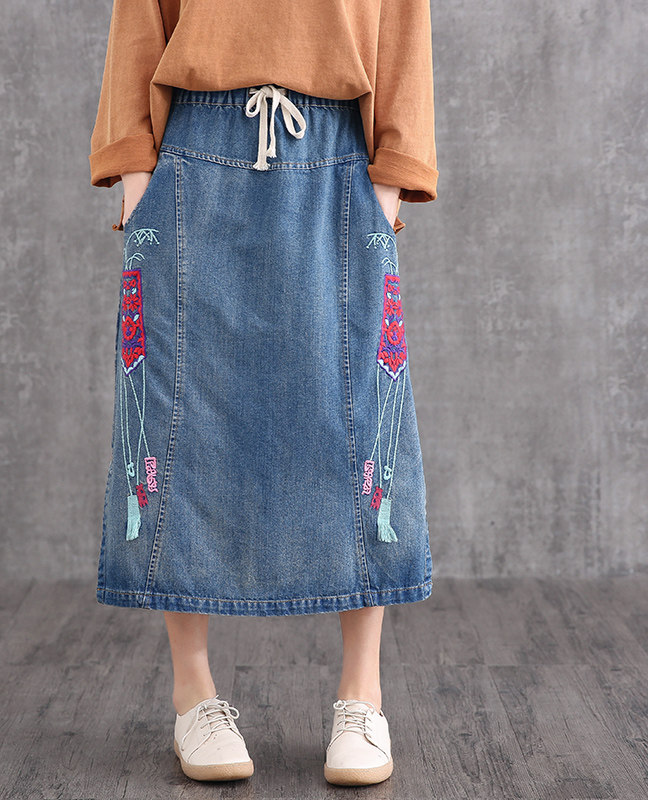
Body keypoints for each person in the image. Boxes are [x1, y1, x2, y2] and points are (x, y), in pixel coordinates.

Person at [88, 0, 438, 787]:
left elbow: (403, 23)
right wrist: (138, 176)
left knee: (358, 423)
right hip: (193, 155)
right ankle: (193, 694)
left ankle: (363, 697)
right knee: (181, 424)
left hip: (337, 155)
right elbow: (139, 16)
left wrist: (391, 179)